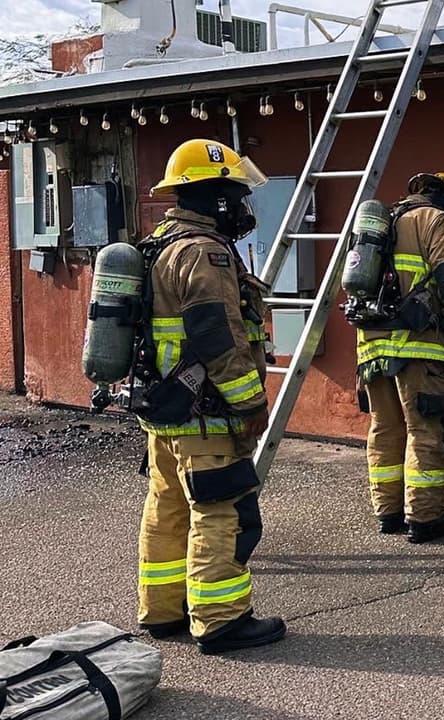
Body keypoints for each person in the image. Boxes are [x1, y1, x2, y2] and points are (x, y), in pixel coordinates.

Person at [136, 138, 285, 654]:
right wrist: (249, 402)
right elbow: (219, 335)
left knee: (167, 508)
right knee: (221, 511)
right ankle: (221, 618)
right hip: (206, 414)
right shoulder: (205, 252)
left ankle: (163, 611)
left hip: (165, 411)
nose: (242, 207)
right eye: (236, 195)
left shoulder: (157, 244)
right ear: (216, 198)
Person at [357, 172, 444, 543]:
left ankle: (388, 512)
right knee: (424, 429)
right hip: (419, 345)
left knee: (385, 429)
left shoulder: (383, 220)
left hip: (372, 345)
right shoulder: (435, 221)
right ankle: (425, 517)